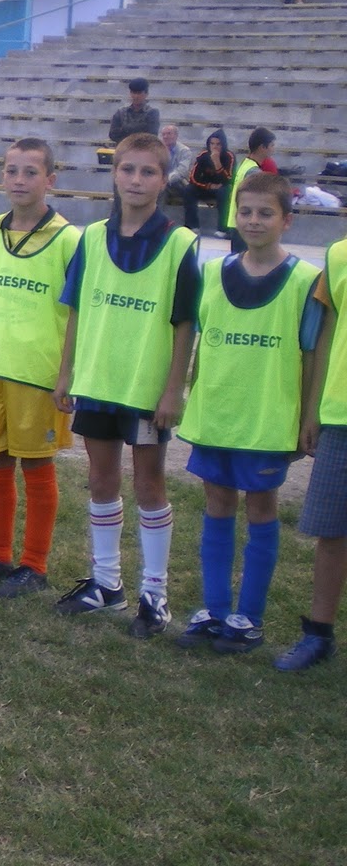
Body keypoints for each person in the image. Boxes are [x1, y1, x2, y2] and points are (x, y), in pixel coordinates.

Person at [53, 132, 199, 638]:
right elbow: (74, 310)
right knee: (100, 478)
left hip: (144, 387)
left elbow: (185, 324)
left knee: (149, 483)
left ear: (164, 180)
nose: (136, 180)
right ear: (114, 174)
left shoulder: (180, 244)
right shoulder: (92, 237)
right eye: (128, 170)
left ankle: (154, 594)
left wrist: (172, 388)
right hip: (98, 378)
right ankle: (106, 583)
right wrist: (67, 370)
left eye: (148, 172)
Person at [177, 172, 323, 654]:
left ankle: (249, 619)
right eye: (245, 212)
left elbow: (310, 353)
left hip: (266, 418)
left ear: (287, 220)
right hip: (218, 410)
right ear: (233, 216)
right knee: (216, 504)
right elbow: (201, 340)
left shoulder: (305, 280)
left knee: (261, 508)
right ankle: (214, 609)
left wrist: (307, 417)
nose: (254, 221)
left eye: (265, 213)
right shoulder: (214, 270)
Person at [0, 138, 80, 598]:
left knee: (36, 465)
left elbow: (75, 315)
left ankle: (35, 563)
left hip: (38, 372)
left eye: (31, 172)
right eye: (12, 171)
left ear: (50, 179)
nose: (19, 180)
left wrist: (66, 373)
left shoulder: (69, 239)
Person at [277, 227, 347, 671]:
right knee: (332, 530)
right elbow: (325, 336)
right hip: (342, 411)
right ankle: (318, 632)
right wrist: (313, 410)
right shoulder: (339, 255)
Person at [224, 128, 276, 254]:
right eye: (272, 145)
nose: (273, 149)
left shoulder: (245, 164)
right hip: (245, 225)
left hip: (237, 221)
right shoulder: (254, 172)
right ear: (262, 147)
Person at [185, 129, 234, 237]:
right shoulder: (203, 155)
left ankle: (223, 229)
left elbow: (228, 179)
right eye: (212, 144)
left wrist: (217, 162)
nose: (214, 147)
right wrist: (208, 186)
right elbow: (193, 177)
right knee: (188, 189)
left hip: (221, 188)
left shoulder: (229, 156)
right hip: (206, 187)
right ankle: (192, 226)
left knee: (225, 191)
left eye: (218, 144)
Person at [108, 78, 160, 145]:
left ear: (146, 94)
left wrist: (125, 130)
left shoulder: (152, 112)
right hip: (124, 150)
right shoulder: (121, 112)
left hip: (143, 150)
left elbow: (152, 136)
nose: (136, 96)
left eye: (139, 93)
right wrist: (138, 131)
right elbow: (113, 134)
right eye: (133, 93)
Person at [161, 124, 196, 218]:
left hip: (180, 182)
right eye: (163, 134)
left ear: (176, 136)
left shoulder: (185, 151)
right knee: (158, 190)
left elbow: (182, 171)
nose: (165, 136)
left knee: (189, 192)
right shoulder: (159, 150)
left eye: (169, 134)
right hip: (163, 183)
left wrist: (166, 180)